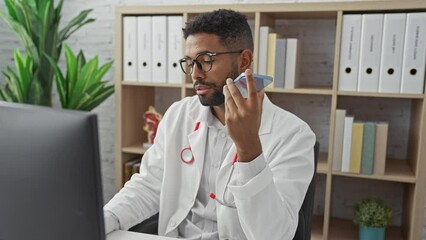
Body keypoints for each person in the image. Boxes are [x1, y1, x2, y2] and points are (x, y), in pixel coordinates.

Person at [104, 9, 316, 240]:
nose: (195, 74)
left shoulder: (294, 135)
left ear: (244, 60)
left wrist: (250, 151)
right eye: (189, 62)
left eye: (206, 61)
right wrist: (106, 219)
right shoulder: (179, 114)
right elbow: (148, 186)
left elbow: (274, 235)